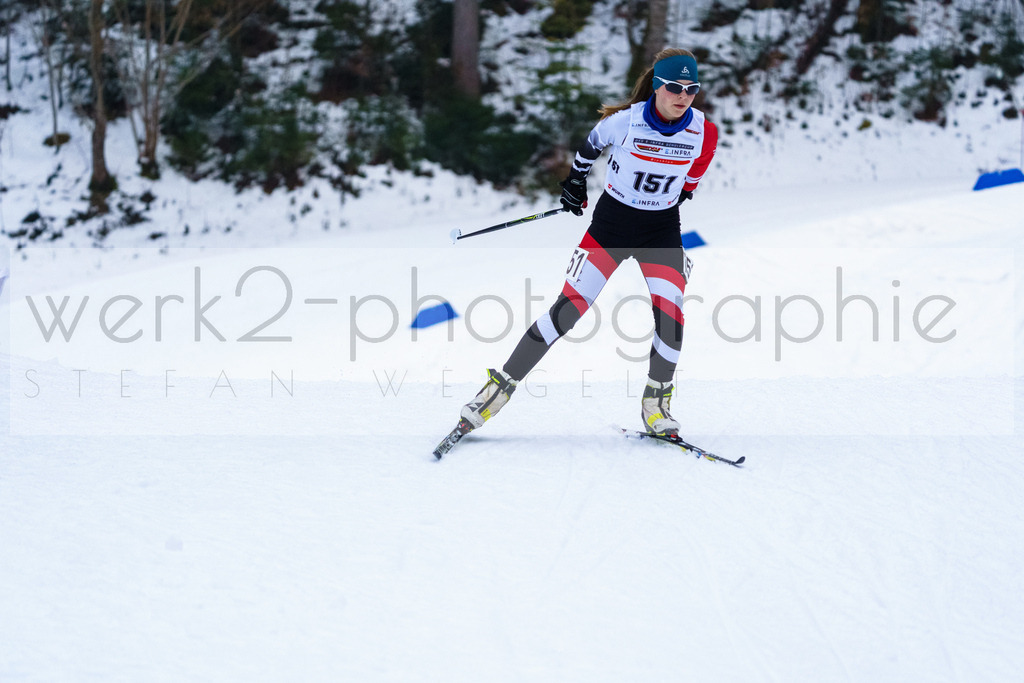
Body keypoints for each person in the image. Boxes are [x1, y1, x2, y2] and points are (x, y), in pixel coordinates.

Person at [459, 48, 718, 437]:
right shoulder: (624, 122)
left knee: (672, 314)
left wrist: (683, 192)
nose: (684, 96)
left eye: (691, 88)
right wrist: (575, 183)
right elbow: (590, 147)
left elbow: (697, 169)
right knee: (568, 310)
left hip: (661, 229)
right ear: (657, 86)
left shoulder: (704, 131)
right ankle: (496, 391)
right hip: (611, 227)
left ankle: (656, 405)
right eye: (674, 87)